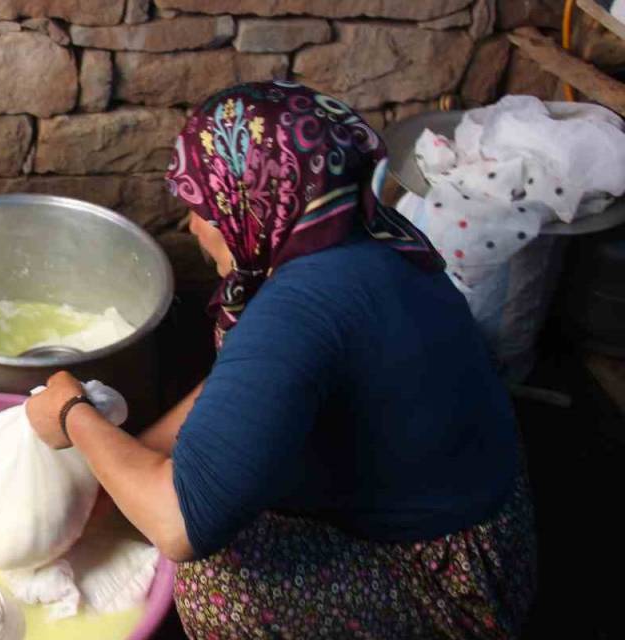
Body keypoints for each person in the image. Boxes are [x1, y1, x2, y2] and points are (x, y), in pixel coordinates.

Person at [27, 81, 537, 638]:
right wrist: (136, 455)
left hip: (451, 583)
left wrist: (74, 413)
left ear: (248, 199)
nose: (191, 225)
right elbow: (241, 386)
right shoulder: (362, 236)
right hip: (482, 515)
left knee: (213, 581)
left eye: (201, 205)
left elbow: (177, 524)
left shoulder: (300, 306)